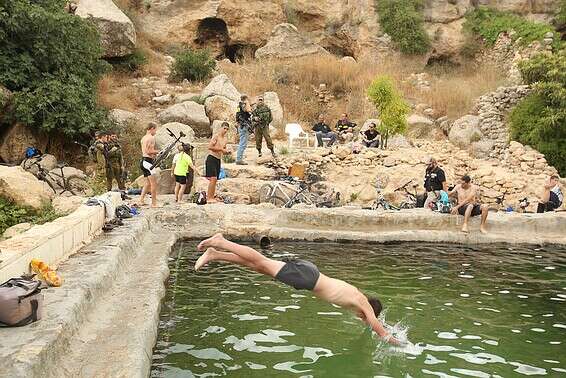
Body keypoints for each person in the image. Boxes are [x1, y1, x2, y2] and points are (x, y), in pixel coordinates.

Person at [194, 234, 402, 346]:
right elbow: (377, 327)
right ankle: (221, 242)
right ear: (369, 311)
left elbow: (373, 321)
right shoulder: (363, 304)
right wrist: (398, 342)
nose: (362, 318)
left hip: (309, 275)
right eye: (364, 317)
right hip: (307, 278)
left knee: (259, 266)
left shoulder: (358, 294)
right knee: (260, 260)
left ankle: (215, 254)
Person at [205, 122, 231, 203]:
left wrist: (227, 152)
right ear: (221, 128)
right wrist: (221, 149)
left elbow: (223, 150)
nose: (225, 130)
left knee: (215, 179)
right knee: (213, 178)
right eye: (224, 128)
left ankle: (212, 196)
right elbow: (210, 147)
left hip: (218, 159)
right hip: (211, 158)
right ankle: (209, 198)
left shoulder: (225, 139)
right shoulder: (216, 136)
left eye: (227, 129)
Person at [140, 122, 159, 207]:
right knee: (153, 184)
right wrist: (158, 151)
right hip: (148, 162)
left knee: (147, 183)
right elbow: (149, 151)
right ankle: (154, 203)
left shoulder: (144, 138)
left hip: (143, 161)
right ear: (152, 128)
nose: (155, 131)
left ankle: (141, 200)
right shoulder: (151, 138)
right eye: (155, 129)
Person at [236, 95, 252, 165]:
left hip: (241, 125)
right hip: (244, 126)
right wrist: (247, 102)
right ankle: (239, 159)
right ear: (246, 99)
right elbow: (248, 110)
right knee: (243, 143)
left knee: (241, 143)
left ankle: (239, 158)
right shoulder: (244, 104)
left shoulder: (238, 106)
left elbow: (237, 115)